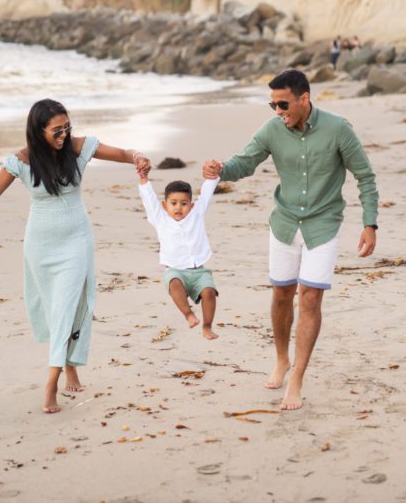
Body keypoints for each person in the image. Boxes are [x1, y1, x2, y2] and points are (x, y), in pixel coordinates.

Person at [0, 99, 151, 414]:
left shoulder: (78, 149)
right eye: (57, 130)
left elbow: (122, 154)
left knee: (69, 306)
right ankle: (70, 369)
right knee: (55, 312)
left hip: (77, 241)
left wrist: (137, 157)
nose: (64, 134)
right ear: (39, 131)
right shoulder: (21, 161)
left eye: (67, 127)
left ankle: (50, 385)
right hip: (40, 246)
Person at [202, 69, 379, 410]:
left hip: (323, 224)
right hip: (284, 223)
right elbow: (245, 162)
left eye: (283, 104)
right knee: (282, 294)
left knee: (310, 298)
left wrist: (370, 223)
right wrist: (220, 168)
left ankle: (297, 376)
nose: (278, 111)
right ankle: (281, 359)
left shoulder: (338, 129)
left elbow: (365, 176)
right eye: (272, 105)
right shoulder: (272, 129)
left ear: (304, 99)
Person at [138, 169, 220, 340]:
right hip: (174, 270)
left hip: (199, 270)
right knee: (174, 283)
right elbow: (150, 201)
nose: (178, 208)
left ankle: (207, 326)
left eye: (184, 203)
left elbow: (205, 195)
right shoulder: (160, 219)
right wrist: (144, 179)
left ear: (191, 205)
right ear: (165, 204)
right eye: (173, 203)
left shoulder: (196, 214)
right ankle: (188, 314)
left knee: (210, 293)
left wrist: (212, 178)